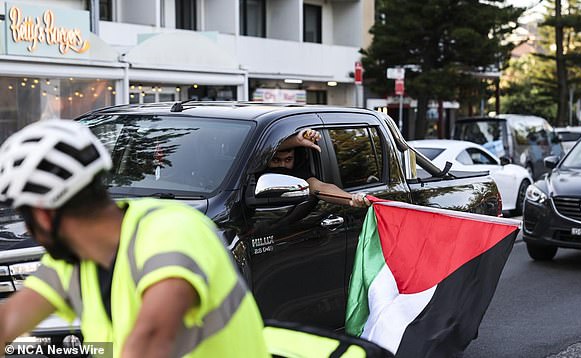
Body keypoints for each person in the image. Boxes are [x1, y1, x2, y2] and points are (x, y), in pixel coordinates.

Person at [0, 119, 269, 358]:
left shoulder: (171, 230)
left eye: (26, 216)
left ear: (43, 215)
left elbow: (150, 340)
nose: (27, 226)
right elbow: (8, 319)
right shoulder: (71, 261)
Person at [267, 129, 370, 208]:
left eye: (288, 160)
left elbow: (320, 186)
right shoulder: (253, 171)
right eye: (276, 160)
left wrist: (351, 199)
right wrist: (296, 141)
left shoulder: (298, 172)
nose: (283, 165)